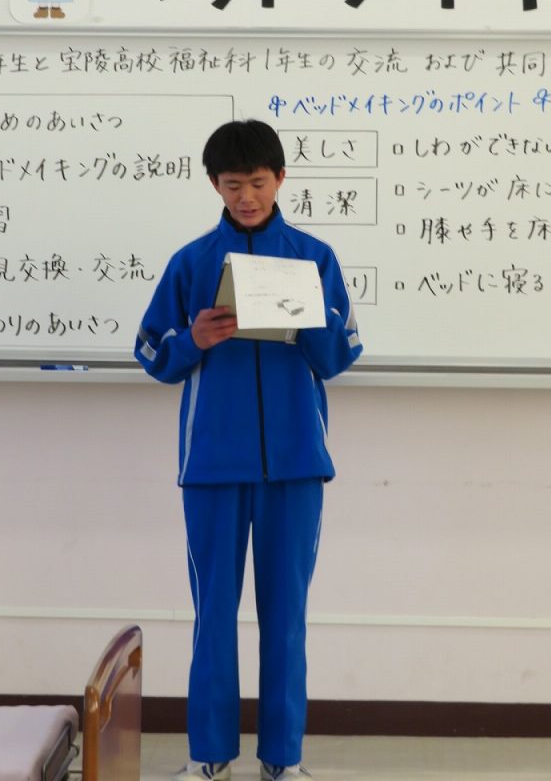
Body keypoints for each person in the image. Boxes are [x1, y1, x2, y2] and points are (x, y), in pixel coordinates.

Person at [135, 120, 362, 781]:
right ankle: (209, 755)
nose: (246, 197)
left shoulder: (314, 258)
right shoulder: (192, 261)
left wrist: (303, 322)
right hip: (211, 464)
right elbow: (150, 351)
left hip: (297, 464)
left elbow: (341, 354)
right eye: (233, 185)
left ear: (280, 179)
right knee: (213, 617)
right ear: (215, 185)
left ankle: (283, 760)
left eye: (258, 183)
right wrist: (193, 340)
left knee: (286, 619)